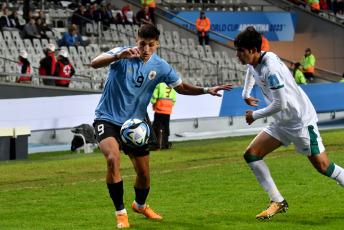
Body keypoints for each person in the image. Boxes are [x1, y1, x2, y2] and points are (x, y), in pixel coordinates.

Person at [90, 24, 232, 228]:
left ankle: (140, 205)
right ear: (136, 39)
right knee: (113, 159)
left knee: (144, 173)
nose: (145, 49)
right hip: (108, 118)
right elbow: (95, 63)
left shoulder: (160, 66)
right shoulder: (123, 54)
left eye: (150, 45)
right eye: (142, 43)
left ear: (157, 44)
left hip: (136, 125)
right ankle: (121, 213)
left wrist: (206, 89)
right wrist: (117, 56)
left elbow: (181, 87)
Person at [234, 26, 344, 220]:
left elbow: (280, 103)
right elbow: (251, 71)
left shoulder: (271, 69)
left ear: (252, 50)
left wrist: (255, 115)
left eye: (240, 51)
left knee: (323, 166)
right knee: (252, 154)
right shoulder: (255, 61)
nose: (237, 55)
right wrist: (245, 94)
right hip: (282, 122)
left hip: (300, 122)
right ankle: (277, 200)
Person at [151, 82, 176, 149]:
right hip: (168, 109)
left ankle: (158, 144)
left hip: (160, 108)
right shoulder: (172, 84)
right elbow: (174, 98)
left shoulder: (159, 84)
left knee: (157, 126)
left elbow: (154, 95)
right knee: (166, 126)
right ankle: (165, 144)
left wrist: (153, 102)